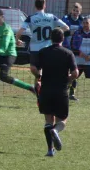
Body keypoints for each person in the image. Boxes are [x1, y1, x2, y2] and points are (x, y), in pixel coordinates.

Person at [31, 29, 78, 157]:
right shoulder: (68, 53)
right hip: (61, 90)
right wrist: (68, 79)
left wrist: (38, 76)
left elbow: (33, 68)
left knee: (48, 120)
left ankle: (50, 150)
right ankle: (56, 130)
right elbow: (75, 73)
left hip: (46, 91)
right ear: (62, 39)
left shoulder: (43, 52)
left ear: (50, 38)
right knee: (62, 119)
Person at [0, 9, 36, 94]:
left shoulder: (7, 29)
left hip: (9, 55)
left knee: (3, 77)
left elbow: (4, 47)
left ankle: (30, 87)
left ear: (2, 17)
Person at [16, 0, 69, 71]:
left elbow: (20, 31)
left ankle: (38, 78)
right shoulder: (51, 17)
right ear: (44, 6)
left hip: (35, 48)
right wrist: (54, 32)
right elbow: (66, 27)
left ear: (35, 6)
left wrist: (17, 40)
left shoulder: (31, 18)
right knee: (47, 70)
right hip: (48, 48)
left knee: (35, 69)